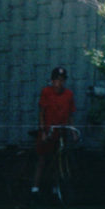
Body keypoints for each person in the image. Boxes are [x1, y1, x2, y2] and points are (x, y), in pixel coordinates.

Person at [32, 66, 76, 195]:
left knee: (58, 160)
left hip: (61, 132)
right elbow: (41, 113)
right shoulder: (46, 92)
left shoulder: (69, 94)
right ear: (52, 81)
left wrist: (73, 131)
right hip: (48, 132)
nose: (59, 83)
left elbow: (70, 115)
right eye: (57, 80)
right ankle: (34, 189)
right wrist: (43, 131)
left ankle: (56, 188)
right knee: (42, 160)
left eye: (62, 80)